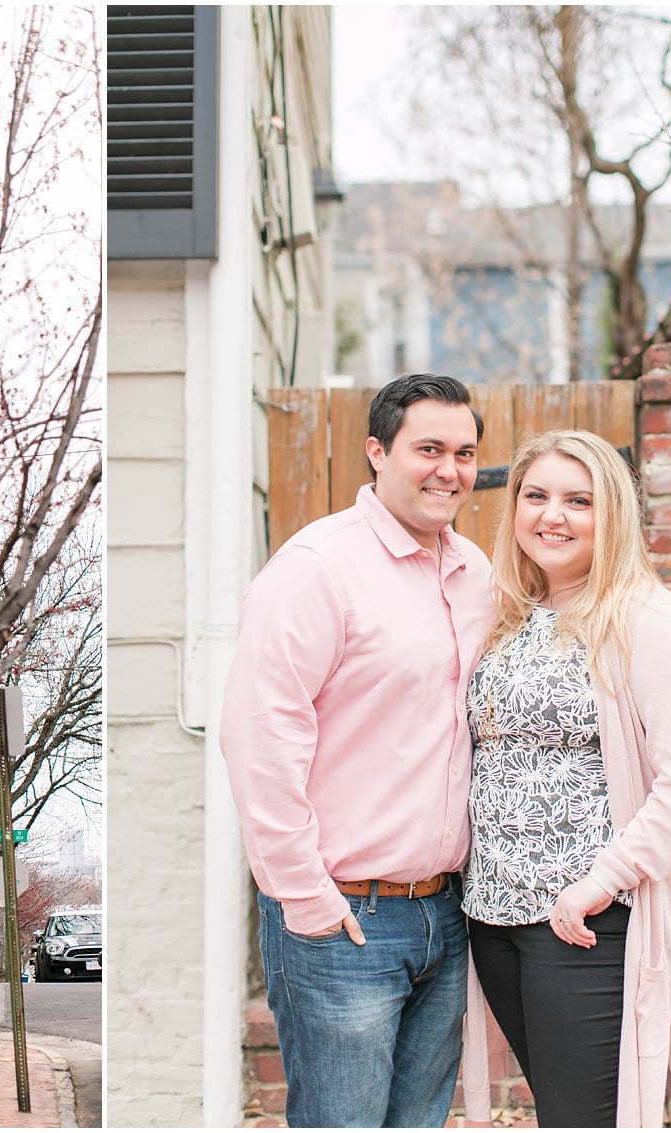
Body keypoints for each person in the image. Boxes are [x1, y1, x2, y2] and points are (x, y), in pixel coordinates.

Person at [220, 373, 495, 1128]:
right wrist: (304, 897)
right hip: (344, 919)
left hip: (446, 912)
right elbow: (257, 736)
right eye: (428, 448)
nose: (448, 469)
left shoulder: (477, 577)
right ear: (377, 451)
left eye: (464, 452)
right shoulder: (316, 570)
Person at [459, 429, 671, 1127]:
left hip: (581, 924)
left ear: (611, 513)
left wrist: (598, 882)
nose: (552, 515)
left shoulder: (649, 618)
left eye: (578, 500)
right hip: (493, 916)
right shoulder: (508, 616)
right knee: (560, 1111)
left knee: (583, 1118)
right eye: (536, 495)